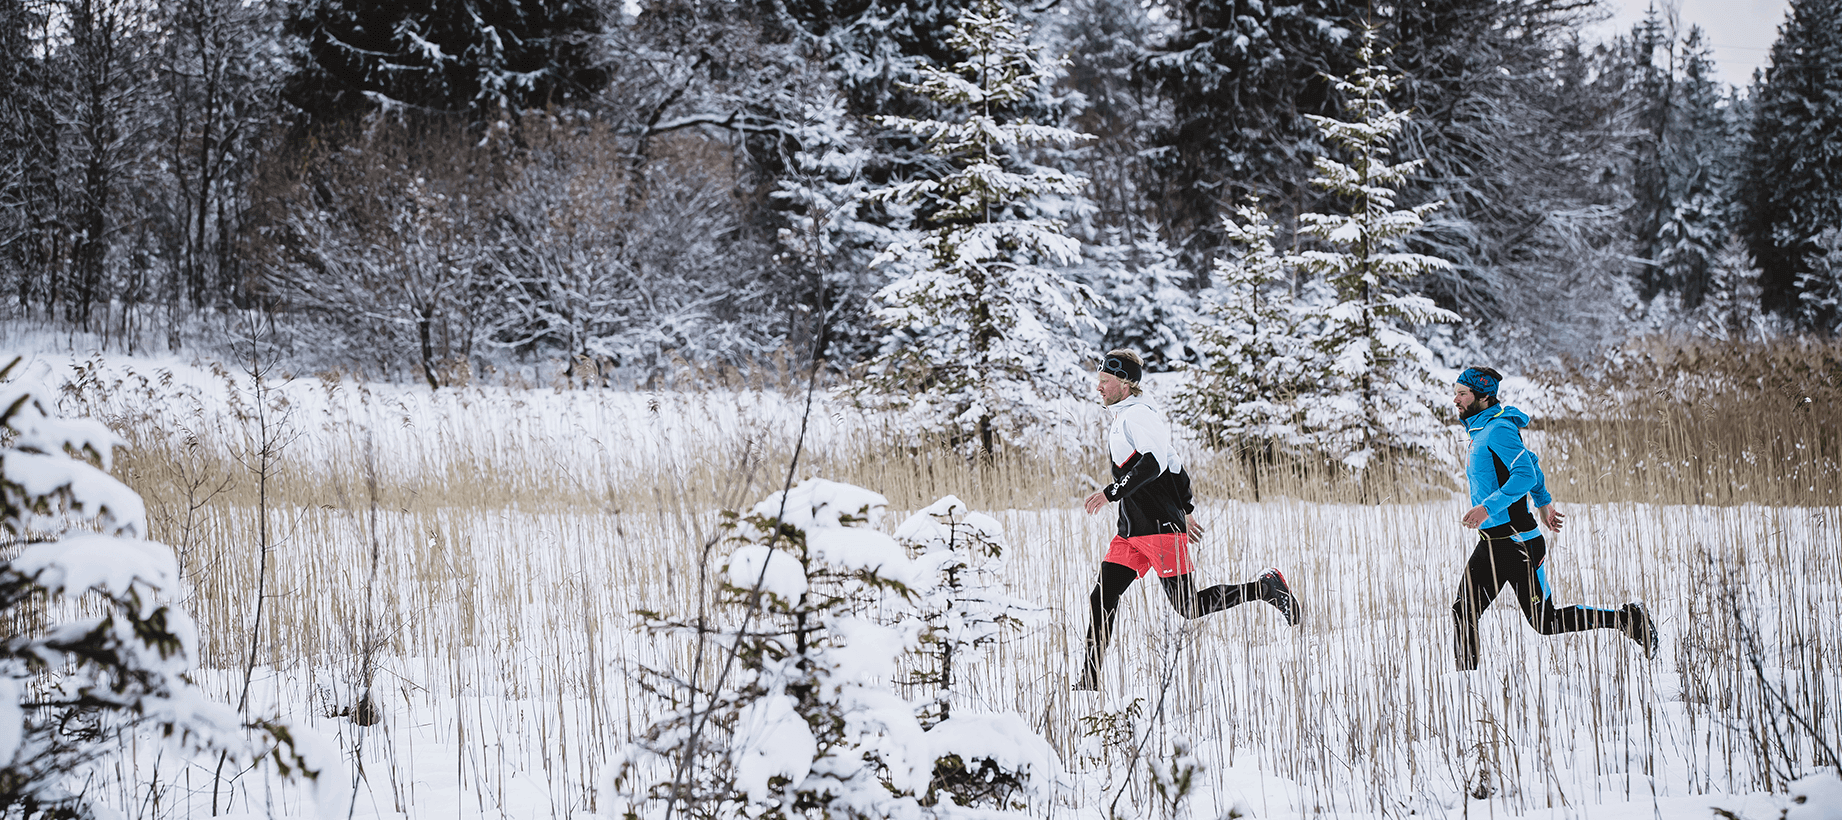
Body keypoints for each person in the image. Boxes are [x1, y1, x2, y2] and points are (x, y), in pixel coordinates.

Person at [1075, 349, 1301, 691]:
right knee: (1102, 597)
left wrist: (1111, 493)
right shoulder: (1127, 416)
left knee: (1188, 606)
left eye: (1105, 381)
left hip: (1159, 528)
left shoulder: (1140, 416)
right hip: (1132, 530)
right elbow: (1175, 464)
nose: (1099, 388)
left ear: (1125, 383)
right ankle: (1088, 683)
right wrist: (1188, 507)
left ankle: (1266, 588)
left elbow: (1153, 465)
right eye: (1099, 380)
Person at [1451, 366, 1659, 671]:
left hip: (1517, 543)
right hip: (1491, 543)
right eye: (1455, 392)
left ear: (1483, 396)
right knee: (1462, 611)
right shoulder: (1482, 430)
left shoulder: (1499, 429)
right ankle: (1465, 682)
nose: (1455, 399)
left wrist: (1488, 508)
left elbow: (1524, 474)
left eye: (1462, 393)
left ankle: (1628, 619)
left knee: (1545, 622)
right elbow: (1531, 463)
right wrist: (1544, 503)